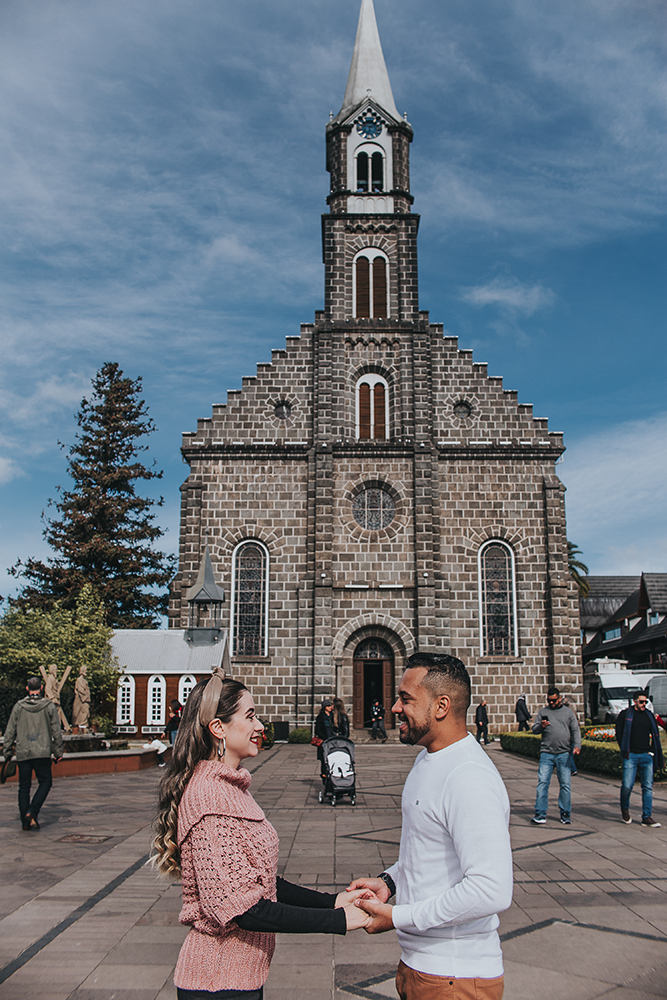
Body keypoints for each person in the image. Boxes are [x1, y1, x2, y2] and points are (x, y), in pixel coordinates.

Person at [154, 670, 372, 999]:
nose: (260, 726)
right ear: (218, 729)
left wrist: (332, 902)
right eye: (251, 716)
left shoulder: (231, 787)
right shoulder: (209, 799)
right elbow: (244, 909)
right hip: (217, 982)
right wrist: (339, 921)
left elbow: (262, 883)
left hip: (238, 979)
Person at [348, 652, 512, 1000]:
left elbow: (490, 889)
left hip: (455, 974)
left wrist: (399, 916)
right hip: (421, 967)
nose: (394, 708)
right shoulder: (429, 758)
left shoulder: (469, 776)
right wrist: (390, 882)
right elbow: (427, 853)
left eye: (406, 699)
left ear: (441, 706)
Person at [2, 676, 64, 831]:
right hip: (42, 752)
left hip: (24, 752)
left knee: (24, 787)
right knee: (46, 782)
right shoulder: (48, 706)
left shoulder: (18, 706)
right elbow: (56, 730)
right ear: (41, 688)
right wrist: (58, 751)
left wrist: (7, 751)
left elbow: (9, 731)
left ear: (27, 689)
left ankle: (25, 821)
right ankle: (32, 811)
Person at [531, 687, 581, 825]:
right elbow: (534, 729)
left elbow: (575, 730)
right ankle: (540, 813)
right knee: (542, 783)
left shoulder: (568, 713)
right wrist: (541, 726)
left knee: (565, 784)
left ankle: (565, 813)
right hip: (546, 753)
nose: (551, 703)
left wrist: (577, 745)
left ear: (559, 698)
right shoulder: (543, 712)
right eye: (549, 701)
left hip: (564, 753)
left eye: (554, 700)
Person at [615, 690, 663, 827]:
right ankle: (625, 808)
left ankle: (646, 816)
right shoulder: (625, 715)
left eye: (646, 702)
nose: (644, 704)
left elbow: (654, 735)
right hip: (631, 755)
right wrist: (624, 749)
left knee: (647, 787)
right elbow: (619, 733)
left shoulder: (649, 715)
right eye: (641, 702)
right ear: (634, 701)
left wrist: (652, 752)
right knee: (627, 785)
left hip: (646, 755)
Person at [314, 698, 335, 781]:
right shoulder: (320, 717)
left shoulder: (333, 716)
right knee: (324, 759)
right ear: (324, 707)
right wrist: (324, 738)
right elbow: (318, 730)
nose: (330, 707)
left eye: (330, 705)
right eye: (328, 706)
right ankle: (324, 775)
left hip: (332, 740)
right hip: (324, 741)